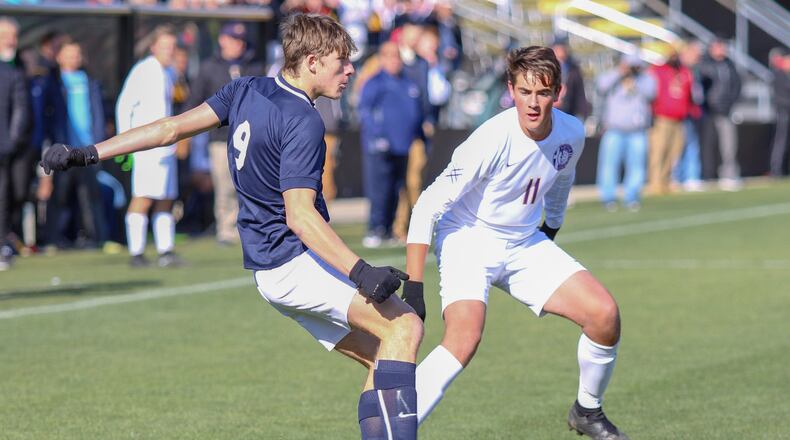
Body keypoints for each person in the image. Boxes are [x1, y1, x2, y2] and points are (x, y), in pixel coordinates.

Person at [41, 14, 423, 440]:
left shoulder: (247, 88)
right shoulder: (304, 120)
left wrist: (89, 153)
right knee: (405, 327)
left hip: (268, 272)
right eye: (342, 61)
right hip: (293, 263)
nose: (350, 70)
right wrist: (362, 273)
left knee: (382, 353)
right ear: (312, 61)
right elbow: (300, 215)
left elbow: (170, 129)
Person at [402, 46, 629, 440]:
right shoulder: (490, 139)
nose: (533, 103)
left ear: (557, 92)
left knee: (604, 316)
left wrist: (551, 230)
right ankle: (394, 429)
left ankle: (587, 411)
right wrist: (414, 285)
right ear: (510, 90)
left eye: (542, 93)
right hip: (468, 236)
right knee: (464, 337)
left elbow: (560, 179)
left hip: (524, 241)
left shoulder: (572, 131)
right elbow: (427, 206)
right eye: (524, 92)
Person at [188, 21, 265, 246]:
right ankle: (226, 229)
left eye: (241, 40)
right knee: (224, 186)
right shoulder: (209, 67)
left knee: (253, 185)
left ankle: (253, 229)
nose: (238, 45)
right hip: (221, 138)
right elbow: (195, 102)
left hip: (252, 137)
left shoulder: (254, 66)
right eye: (233, 39)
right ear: (222, 40)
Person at [116, 25, 181, 267]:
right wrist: (127, 141)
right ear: (153, 47)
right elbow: (125, 105)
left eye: (172, 47)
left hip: (167, 146)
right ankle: (136, 252)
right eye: (164, 46)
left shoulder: (169, 72)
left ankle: (166, 250)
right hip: (147, 146)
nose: (169, 51)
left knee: (166, 198)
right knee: (142, 197)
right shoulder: (143, 70)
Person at [39, 40, 108, 249]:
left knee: (91, 195)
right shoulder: (51, 83)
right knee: (59, 196)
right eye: (69, 54)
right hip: (63, 149)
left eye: (77, 54)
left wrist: (99, 139)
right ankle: (52, 239)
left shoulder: (90, 81)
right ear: (59, 57)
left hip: (88, 148)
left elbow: (97, 114)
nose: (73, 58)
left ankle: (97, 238)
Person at [358, 41, 424, 247]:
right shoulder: (375, 82)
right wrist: (377, 136)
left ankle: (388, 229)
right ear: (382, 58)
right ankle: (375, 228)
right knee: (379, 187)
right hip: (379, 146)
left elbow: (417, 110)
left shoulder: (407, 82)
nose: (395, 61)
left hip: (403, 144)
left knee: (397, 188)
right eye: (390, 56)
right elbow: (365, 111)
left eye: (397, 56)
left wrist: (419, 132)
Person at [595, 53, 656, 212]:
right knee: (609, 165)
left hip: (637, 131)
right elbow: (601, 86)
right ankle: (608, 197)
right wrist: (620, 72)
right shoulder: (613, 77)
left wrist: (638, 75)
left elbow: (652, 93)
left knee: (636, 166)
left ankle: (632, 196)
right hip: (614, 130)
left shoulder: (644, 78)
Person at [0, 16, 30, 270]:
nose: (12, 40)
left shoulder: (17, 67)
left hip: (10, 147)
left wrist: (10, 141)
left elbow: (21, 108)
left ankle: (3, 244)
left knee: (13, 194)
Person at [647, 44, 694, 195]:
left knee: (674, 152)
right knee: (658, 152)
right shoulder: (657, 71)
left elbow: (689, 95)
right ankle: (655, 184)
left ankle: (665, 182)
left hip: (679, 119)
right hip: (661, 118)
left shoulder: (684, 72)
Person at [699, 37, 742, 191]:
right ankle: (706, 175)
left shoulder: (729, 65)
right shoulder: (705, 64)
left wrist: (731, 102)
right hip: (709, 111)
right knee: (707, 144)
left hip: (726, 110)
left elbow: (737, 85)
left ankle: (728, 175)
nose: (721, 50)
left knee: (729, 145)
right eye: (718, 47)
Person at [551, 36, 590, 121]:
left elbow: (580, 93)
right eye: (557, 49)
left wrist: (583, 112)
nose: (560, 52)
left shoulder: (573, 69)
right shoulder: (545, 67)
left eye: (562, 49)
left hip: (568, 110)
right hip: (550, 109)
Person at [768, 48, 789, 177]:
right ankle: (776, 169)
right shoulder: (778, 75)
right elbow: (781, 96)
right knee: (781, 141)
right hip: (783, 113)